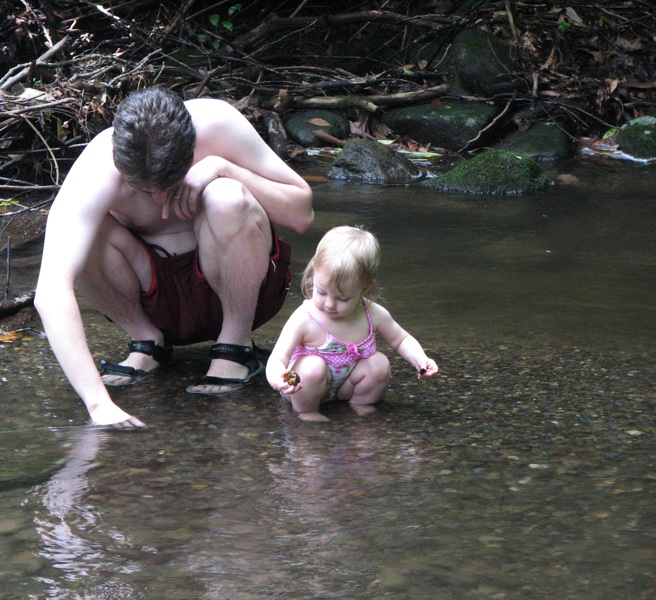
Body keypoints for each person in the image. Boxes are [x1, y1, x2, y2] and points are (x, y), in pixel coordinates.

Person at [34, 87, 314, 429]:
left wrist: (224, 168)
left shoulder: (217, 124)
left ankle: (235, 345)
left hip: (241, 284)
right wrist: (98, 404)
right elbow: (51, 291)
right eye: (144, 190)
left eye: (170, 183)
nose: (161, 198)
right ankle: (148, 341)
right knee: (83, 235)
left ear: (191, 146)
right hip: (155, 295)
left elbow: (302, 214)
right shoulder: (96, 168)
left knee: (226, 196)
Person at [265, 226, 438, 421]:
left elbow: (401, 339)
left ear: (364, 288)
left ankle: (361, 405)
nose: (329, 304)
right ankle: (307, 412)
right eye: (321, 292)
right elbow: (277, 358)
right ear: (314, 270)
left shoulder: (372, 314)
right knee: (312, 367)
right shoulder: (305, 317)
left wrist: (420, 359)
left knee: (379, 364)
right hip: (303, 387)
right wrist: (279, 377)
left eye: (343, 298)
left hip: (345, 386)